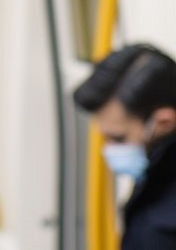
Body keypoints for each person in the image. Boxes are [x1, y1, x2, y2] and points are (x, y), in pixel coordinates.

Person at [73, 43, 176, 250]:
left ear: (164, 122)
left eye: (119, 139)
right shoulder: (158, 169)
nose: (108, 150)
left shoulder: (160, 228)